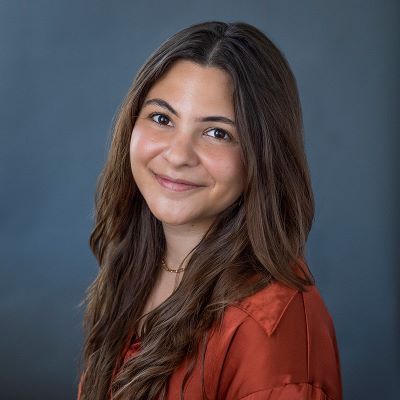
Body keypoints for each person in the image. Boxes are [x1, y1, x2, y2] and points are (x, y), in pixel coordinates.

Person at [77, 20, 343, 400]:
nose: (178, 155)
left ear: (261, 155)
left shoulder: (268, 326)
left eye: (217, 133)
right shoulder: (135, 262)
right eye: (162, 118)